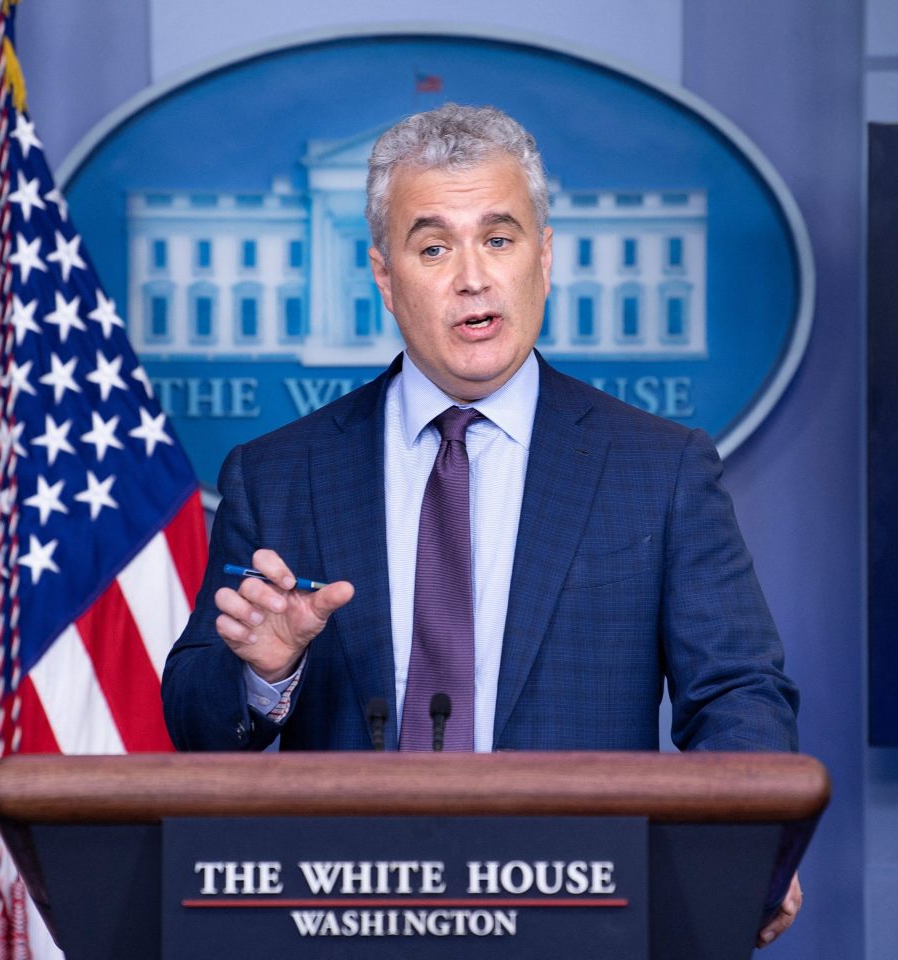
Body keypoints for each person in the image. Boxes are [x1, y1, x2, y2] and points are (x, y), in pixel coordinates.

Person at [161, 103, 803, 946]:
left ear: (544, 260)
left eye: (499, 239)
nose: (473, 276)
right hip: (344, 922)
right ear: (385, 278)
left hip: (584, 918)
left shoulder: (658, 466)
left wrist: (743, 848)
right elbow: (199, 727)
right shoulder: (281, 474)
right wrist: (267, 676)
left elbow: (737, 692)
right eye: (434, 248)